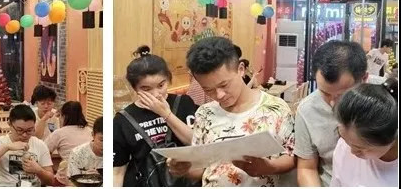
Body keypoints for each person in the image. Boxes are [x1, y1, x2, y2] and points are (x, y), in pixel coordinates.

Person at [167, 37, 295, 187]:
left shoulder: (275, 108)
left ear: (240, 70)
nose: (219, 95)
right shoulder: (204, 113)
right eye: (208, 90)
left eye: (224, 85)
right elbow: (203, 170)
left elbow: (292, 157)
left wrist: (269, 167)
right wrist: (185, 169)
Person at [113, 45, 196, 187]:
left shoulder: (183, 102)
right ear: (135, 88)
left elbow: (195, 142)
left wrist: (165, 113)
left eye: (161, 85)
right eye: (146, 89)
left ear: (168, 80)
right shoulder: (122, 119)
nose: (156, 94)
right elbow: (117, 171)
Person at [295, 40, 368, 187]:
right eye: (325, 93)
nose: (333, 103)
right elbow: (307, 168)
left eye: (342, 95)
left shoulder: (388, 99)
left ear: (364, 79)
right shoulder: (307, 110)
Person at [331, 78, 398, 187]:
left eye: (360, 148)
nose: (352, 152)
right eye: (345, 139)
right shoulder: (344, 147)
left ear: (392, 138)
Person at [0, 104, 54, 186]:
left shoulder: (40, 144)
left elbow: (51, 181)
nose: (24, 135)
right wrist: (7, 147)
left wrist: (39, 170)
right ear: (9, 124)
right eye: (20, 130)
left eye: (29, 130)